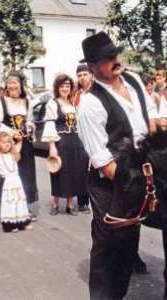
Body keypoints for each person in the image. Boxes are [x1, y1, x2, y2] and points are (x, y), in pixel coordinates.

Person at [76, 31, 161, 300]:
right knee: (109, 250)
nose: (115, 60)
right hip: (111, 182)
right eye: (107, 58)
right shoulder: (90, 104)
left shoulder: (133, 80)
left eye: (115, 54)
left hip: (141, 168)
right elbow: (103, 161)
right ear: (91, 67)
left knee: (127, 249)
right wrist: (135, 185)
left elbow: (153, 120)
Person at [41, 74, 89, 216]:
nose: (65, 88)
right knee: (58, 171)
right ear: (57, 87)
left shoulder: (72, 102)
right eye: (62, 86)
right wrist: (52, 146)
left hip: (74, 139)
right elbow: (49, 124)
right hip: (60, 140)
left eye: (67, 86)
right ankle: (55, 204)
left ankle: (70, 204)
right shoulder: (52, 103)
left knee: (73, 171)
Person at [0, 71, 39, 221]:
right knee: (9, 174)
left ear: (20, 84)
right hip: (8, 144)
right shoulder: (0, 101)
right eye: (10, 82)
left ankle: (24, 208)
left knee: (25, 175)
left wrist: (30, 125)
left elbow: (28, 120)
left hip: (25, 144)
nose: (12, 86)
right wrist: (11, 132)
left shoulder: (27, 102)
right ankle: (9, 209)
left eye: (15, 83)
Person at [0, 132, 32, 232]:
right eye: (4, 142)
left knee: (19, 201)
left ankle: (22, 222)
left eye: (9, 142)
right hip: (6, 184)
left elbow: (19, 145)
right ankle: (10, 224)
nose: (7, 144)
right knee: (9, 202)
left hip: (17, 182)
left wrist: (20, 139)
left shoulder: (13, 154)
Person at [73, 64, 93, 214]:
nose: (82, 78)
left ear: (91, 75)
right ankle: (83, 202)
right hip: (82, 138)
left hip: (98, 137)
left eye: (85, 74)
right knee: (81, 170)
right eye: (79, 75)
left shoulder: (97, 92)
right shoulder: (77, 95)